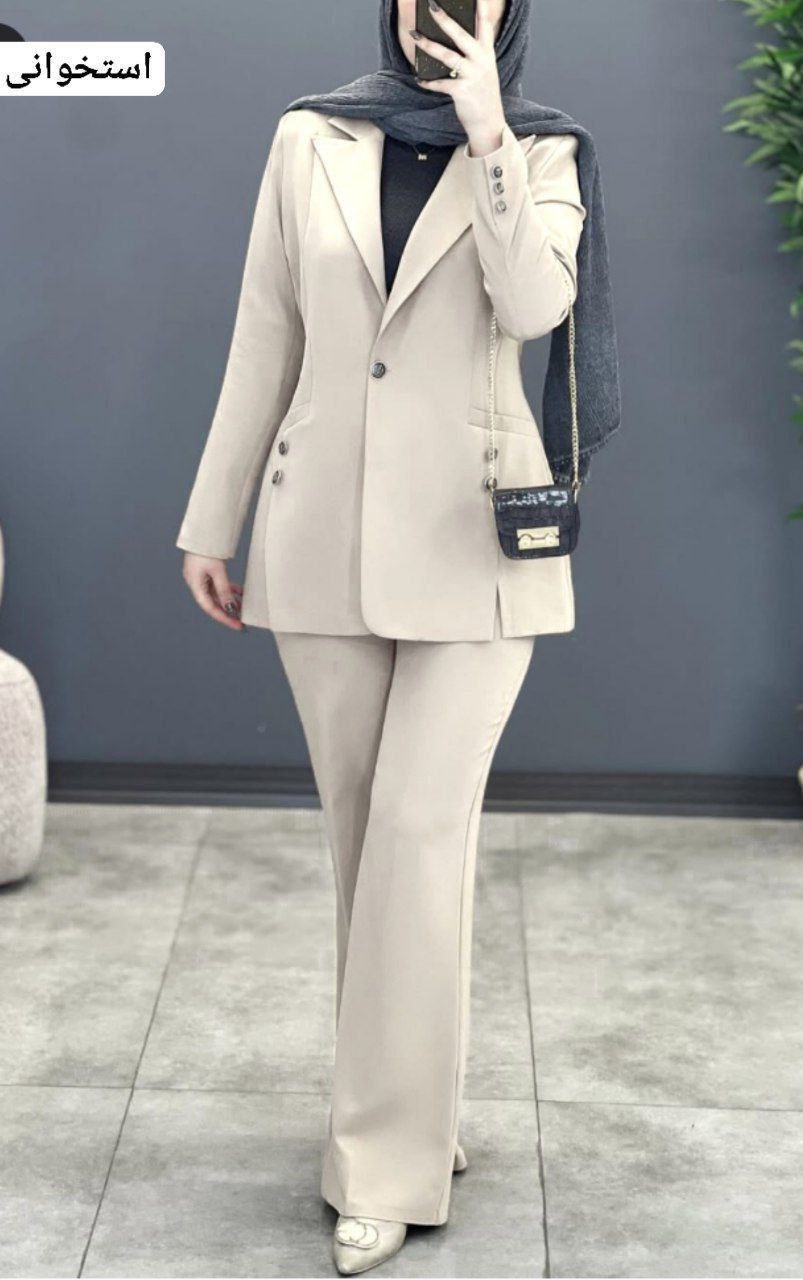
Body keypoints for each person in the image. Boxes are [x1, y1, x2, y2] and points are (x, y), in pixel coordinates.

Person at [176, 0, 620, 1271]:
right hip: (317, 533)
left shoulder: (543, 148)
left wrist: (487, 136)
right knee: (366, 849)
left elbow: (534, 305)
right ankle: (410, 1106)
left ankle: (378, 1164)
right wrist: (212, 518)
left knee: (421, 838)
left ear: (509, 13)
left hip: (474, 543)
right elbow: (266, 331)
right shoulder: (308, 135)